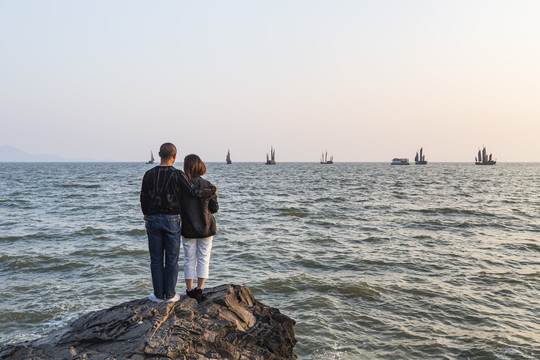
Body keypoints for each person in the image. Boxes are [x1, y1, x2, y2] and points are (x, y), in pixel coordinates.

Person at [140, 143, 216, 303]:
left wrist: (146, 216)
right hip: (172, 220)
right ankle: (170, 295)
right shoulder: (178, 175)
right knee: (172, 258)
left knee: (155, 258)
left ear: (159, 154)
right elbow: (194, 192)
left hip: (152, 219)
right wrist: (211, 191)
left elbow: (143, 197)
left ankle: (158, 295)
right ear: (174, 157)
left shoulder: (148, 174)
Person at [180, 154, 219, 303]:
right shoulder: (209, 185)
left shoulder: (182, 187)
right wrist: (215, 195)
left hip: (188, 227)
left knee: (189, 259)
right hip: (206, 227)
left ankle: (189, 290)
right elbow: (214, 209)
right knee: (203, 258)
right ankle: (199, 289)